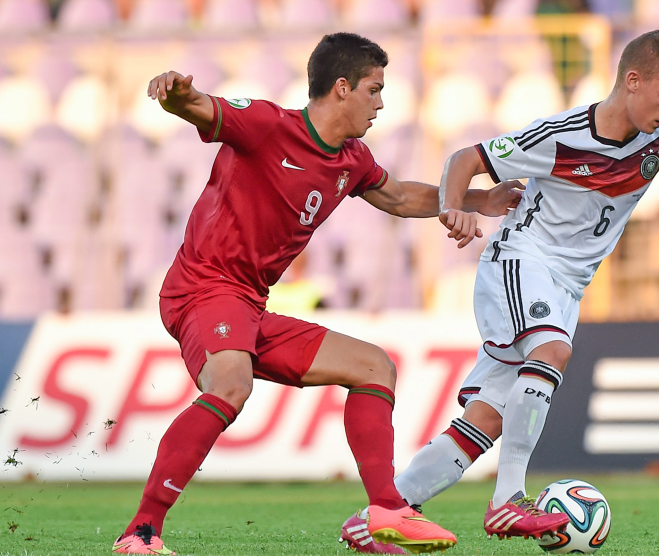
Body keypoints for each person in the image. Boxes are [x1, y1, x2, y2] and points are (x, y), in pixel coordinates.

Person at [348, 28, 659, 548]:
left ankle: (380, 516)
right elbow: (467, 158)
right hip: (521, 260)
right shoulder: (562, 135)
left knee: (485, 422)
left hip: (566, 287)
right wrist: (456, 206)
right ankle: (508, 501)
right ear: (632, 81)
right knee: (551, 350)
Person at [112, 32, 522, 555]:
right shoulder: (266, 125)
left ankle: (386, 513)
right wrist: (173, 92)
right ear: (343, 88)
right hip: (204, 286)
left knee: (375, 366)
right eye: (374, 90)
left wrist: (480, 197)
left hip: (249, 303)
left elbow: (398, 197)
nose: (381, 103)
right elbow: (196, 105)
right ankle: (141, 533)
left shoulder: (351, 158)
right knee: (231, 384)